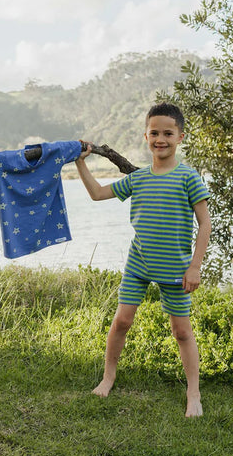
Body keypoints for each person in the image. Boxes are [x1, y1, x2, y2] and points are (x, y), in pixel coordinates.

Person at [75, 102, 211, 417]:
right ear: (145, 136)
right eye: (154, 133)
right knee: (121, 321)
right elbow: (97, 194)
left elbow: (205, 223)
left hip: (176, 270)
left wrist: (195, 266)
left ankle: (194, 394)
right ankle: (108, 378)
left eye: (167, 133)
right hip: (139, 264)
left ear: (180, 137)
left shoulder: (188, 177)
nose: (160, 138)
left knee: (182, 332)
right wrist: (81, 163)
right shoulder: (139, 179)